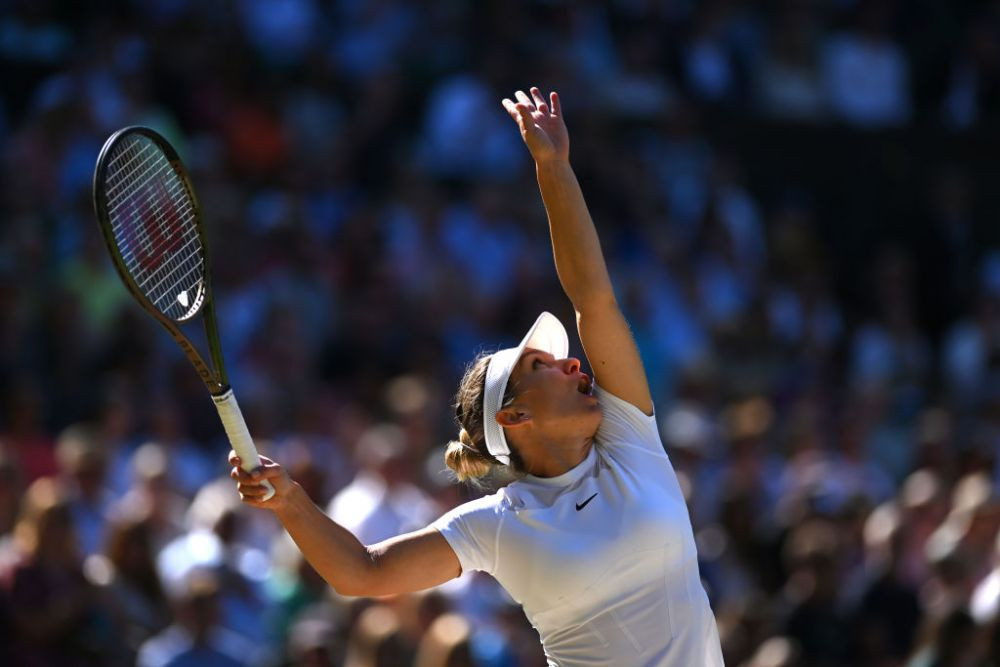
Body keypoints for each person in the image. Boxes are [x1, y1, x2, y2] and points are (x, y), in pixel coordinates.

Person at [230, 87, 724, 666]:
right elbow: (362, 572)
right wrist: (289, 501)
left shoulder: (628, 439)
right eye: (543, 366)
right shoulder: (496, 524)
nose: (574, 364)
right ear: (514, 416)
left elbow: (592, 298)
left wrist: (554, 168)